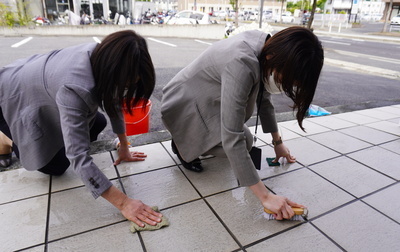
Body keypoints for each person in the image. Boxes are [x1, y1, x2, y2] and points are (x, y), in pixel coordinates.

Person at [0, 30, 162, 227]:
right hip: (12, 94)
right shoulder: (75, 88)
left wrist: (124, 146)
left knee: (98, 123)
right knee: (56, 166)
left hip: (41, 87)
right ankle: (5, 139)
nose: (128, 88)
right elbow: (77, 157)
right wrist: (124, 203)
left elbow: (114, 101)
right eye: (127, 84)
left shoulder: (106, 57)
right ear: (114, 73)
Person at [161, 27, 324, 220]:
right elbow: (232, 135)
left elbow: (264, 100)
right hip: (183, 106)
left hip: (205, 100)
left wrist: (278, 143)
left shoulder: (266, 48)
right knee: (242, 142)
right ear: (273, 57)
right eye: (284, 78)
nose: (284, 85)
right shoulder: (241, 62)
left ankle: (192, 137)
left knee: (245, 142)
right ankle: (183, 143)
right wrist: (265, 196)